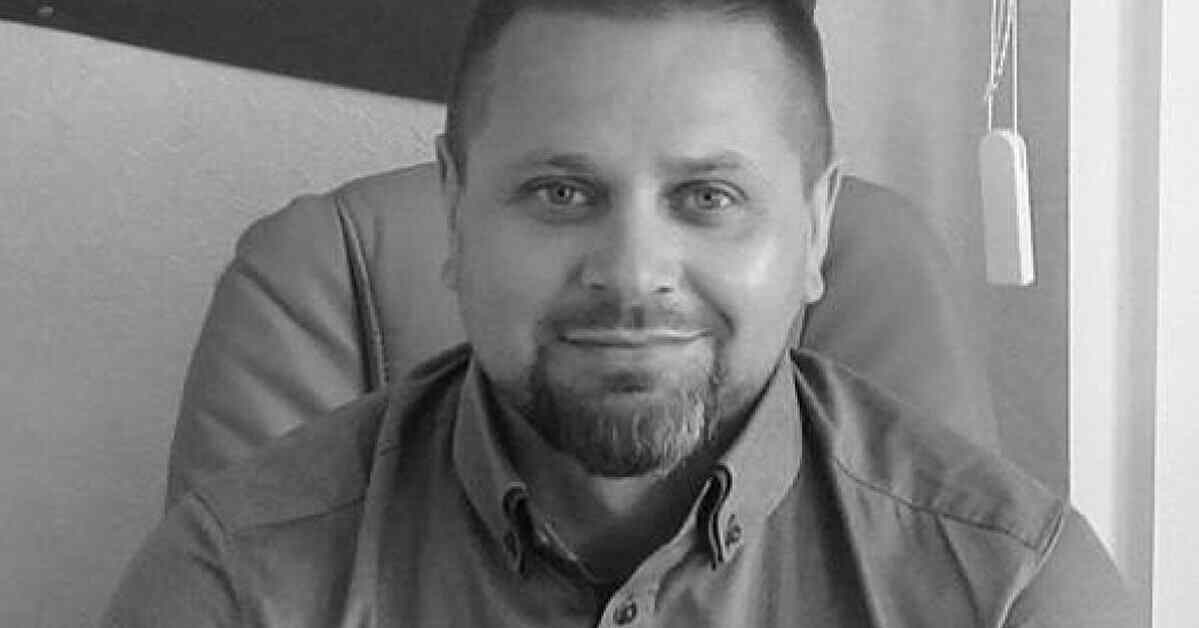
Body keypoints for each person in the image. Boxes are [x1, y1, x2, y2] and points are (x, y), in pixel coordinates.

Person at [102, 0, 1132, 625]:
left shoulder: (1010, 593)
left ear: (815, 226)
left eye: (707, 197)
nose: (634, 274)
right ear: (455, 208)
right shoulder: (235, 583)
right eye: (561, 192)